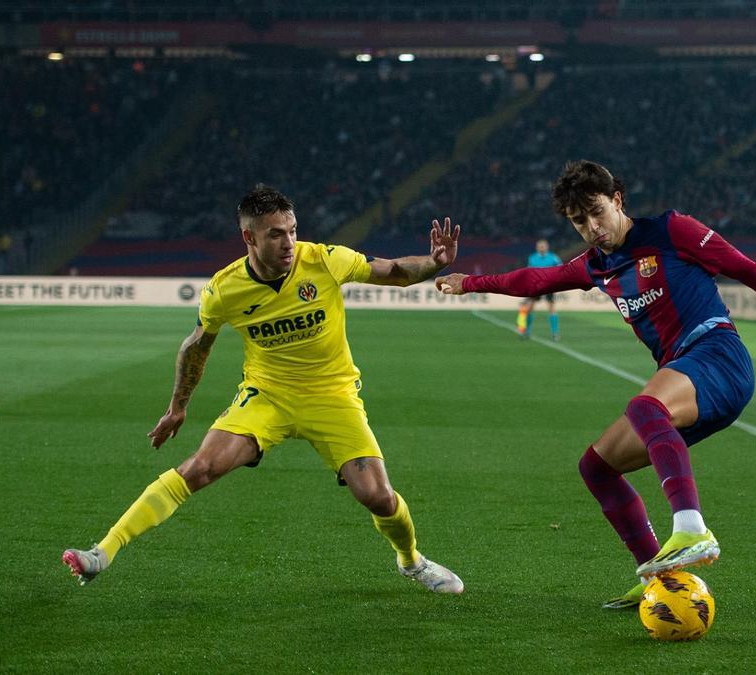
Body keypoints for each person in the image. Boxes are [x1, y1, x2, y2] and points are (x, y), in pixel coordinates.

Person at [435, 160, 756, 609]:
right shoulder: (597, 265)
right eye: (579, 221)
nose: (592, 227)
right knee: (596, 467)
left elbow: (747, 270)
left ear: (617, 199)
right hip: (684, 373)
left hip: (718, 357)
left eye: (597, 212)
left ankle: (691, 526)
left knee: (644, 407)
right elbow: (536, 279)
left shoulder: (673, 231)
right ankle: (662, 579)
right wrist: (469, 283)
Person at [63, 185, 464, 593]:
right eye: (275, 234)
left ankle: (411, 561)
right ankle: (102, 552)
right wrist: (177, 406)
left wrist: (433, 262)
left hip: (331, 396)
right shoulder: (225, 289)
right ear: (249, 237)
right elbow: (196, 347)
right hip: (267, 396)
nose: (289, 242)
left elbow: (394, 271)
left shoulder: (324, 260)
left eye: (291, 230)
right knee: (199, 468)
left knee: (378, 497)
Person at [516, 238, 563, 340]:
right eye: (540, 246)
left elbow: (561, 269)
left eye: (543, 246)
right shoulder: (532, 258)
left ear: (547, 247)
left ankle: (555, 333)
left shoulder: (553, 258)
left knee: (551, 308)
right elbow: (529, 272)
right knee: (530, 307)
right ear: (537, 247)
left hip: (549, 286)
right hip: (536, 286)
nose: (541, 248)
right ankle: (527, 331)